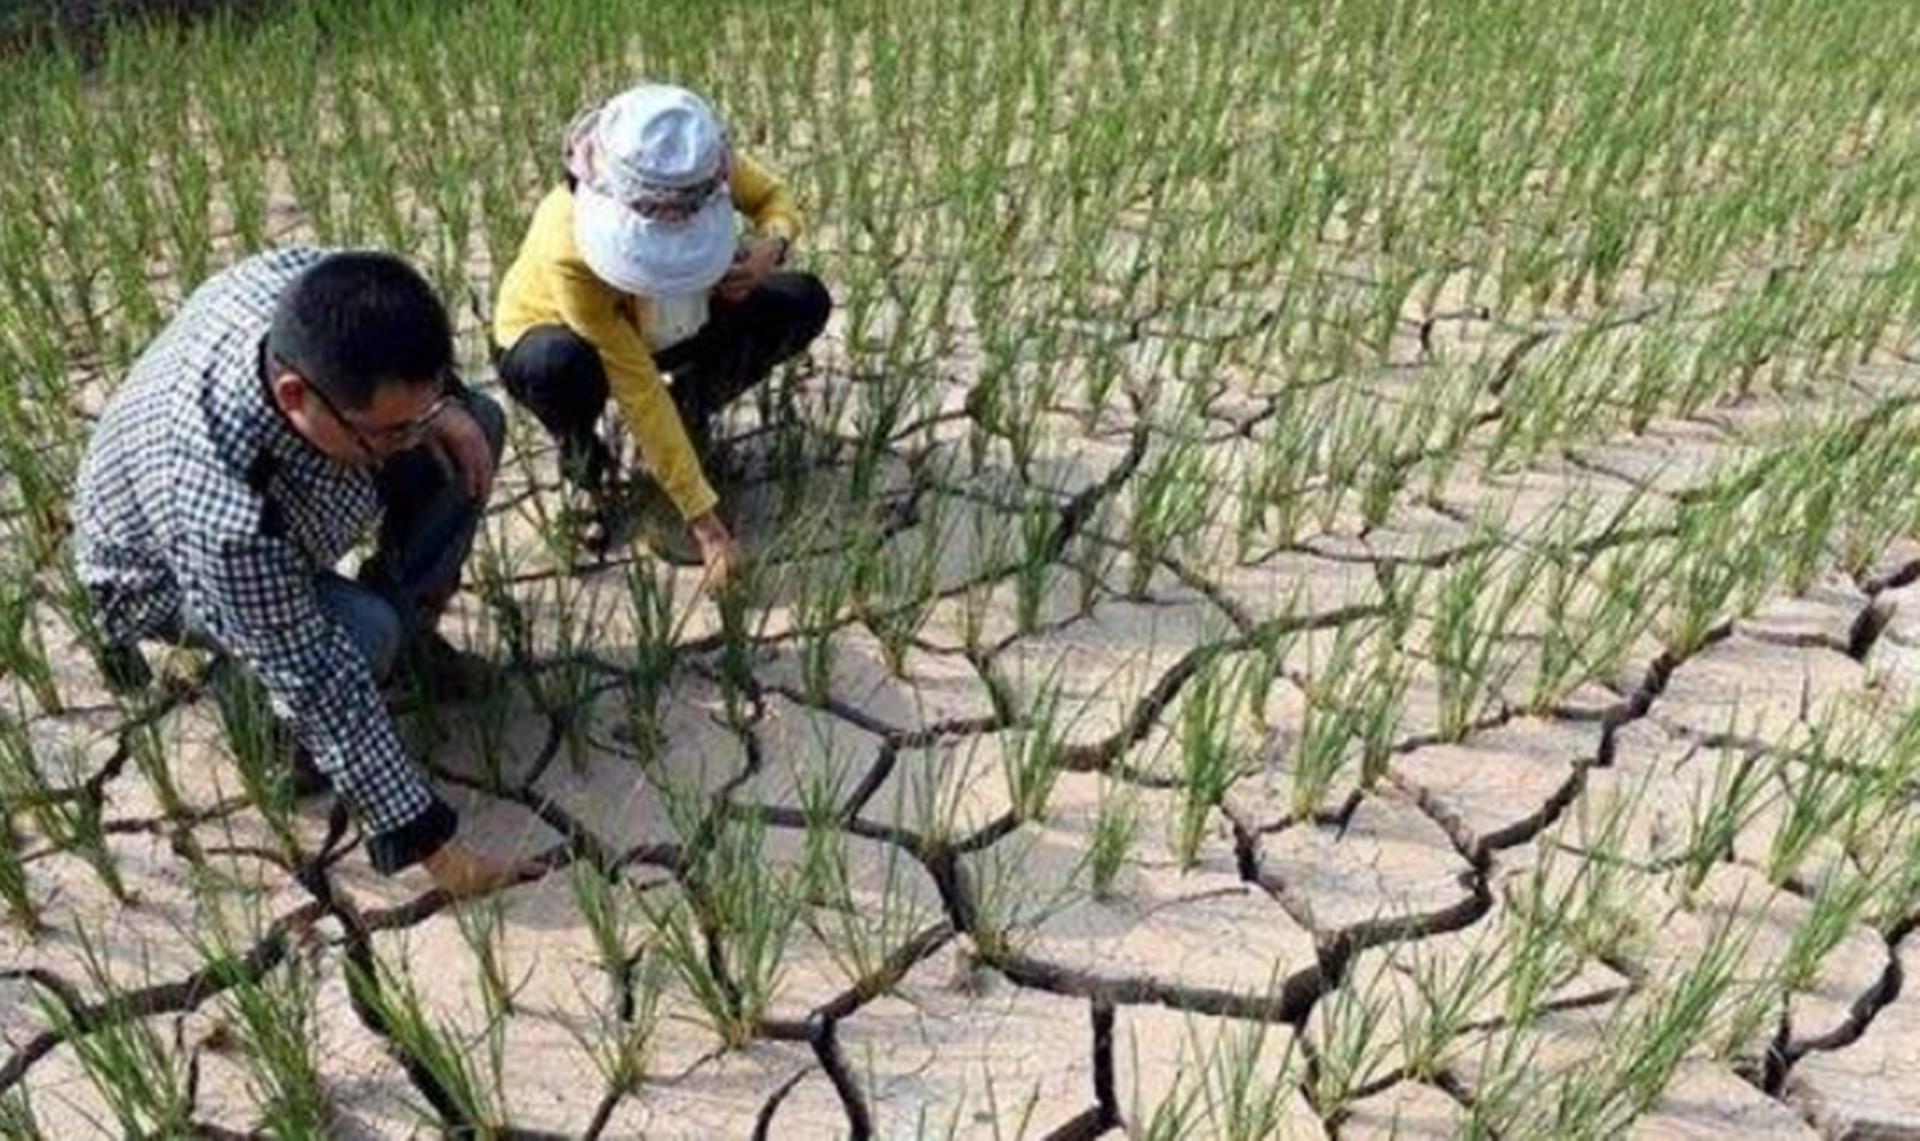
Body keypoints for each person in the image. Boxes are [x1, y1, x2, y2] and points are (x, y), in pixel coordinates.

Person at [72, 248, 524, 897]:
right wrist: (440, 852)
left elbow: (406, 384)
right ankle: (262, 721)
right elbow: (317, 677)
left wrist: (439, 409)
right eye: (389, 431)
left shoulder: (314, 289)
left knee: (475, 422)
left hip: (285, 491)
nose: (407, 439)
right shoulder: (222, 506)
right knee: (363, 636)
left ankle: (411, 631)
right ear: (294, 395)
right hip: (161, 574)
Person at [492, 82, 831, 586]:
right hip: (567, 341)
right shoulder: (568, 243)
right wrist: (709, 529)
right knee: (556, 367)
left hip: (668, 319)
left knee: (801, 299)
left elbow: (772, 198)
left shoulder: (695, 166)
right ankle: (586, 469)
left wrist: (771, 247)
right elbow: (637, 386)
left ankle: (690, 408)